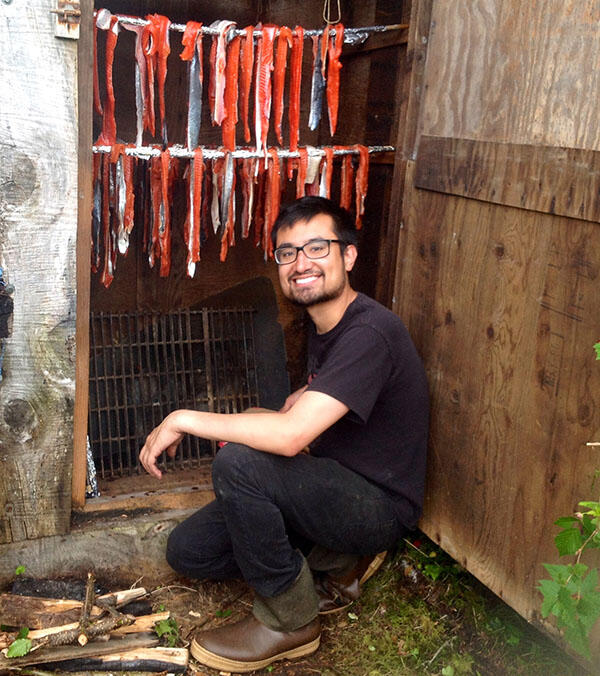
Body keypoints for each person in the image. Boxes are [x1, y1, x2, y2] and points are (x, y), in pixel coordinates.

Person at [139, 196, 429, 673]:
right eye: (288, 253)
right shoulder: (324, 324)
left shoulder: (371, 332)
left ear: (348, 256)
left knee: (238, 464)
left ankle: (289, 620)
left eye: (317, 248)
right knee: (189, 551)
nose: (301, 264)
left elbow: (293, 436)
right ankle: (334, 561)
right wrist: (287, 405)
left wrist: (181, 419)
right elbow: (311, 404)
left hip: (376, 506)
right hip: (326, 485)